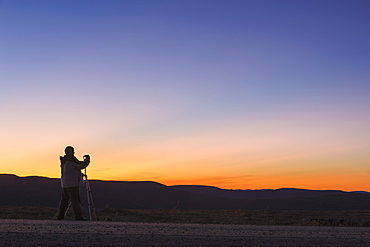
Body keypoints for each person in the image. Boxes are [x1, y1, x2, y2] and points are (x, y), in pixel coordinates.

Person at [57, 146, 90, 220]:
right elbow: (82, 165)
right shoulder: (71, 161)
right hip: (72, 184)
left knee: (64, 201)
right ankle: (78, 216)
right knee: (75, 200)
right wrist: (87, 160)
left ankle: (60, 216)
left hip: (65, 184)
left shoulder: (64, 161)